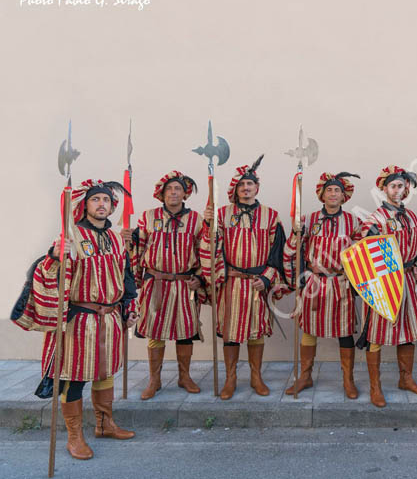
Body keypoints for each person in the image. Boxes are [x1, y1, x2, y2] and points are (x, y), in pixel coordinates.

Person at [13, 179, 138, 460]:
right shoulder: (71, 238)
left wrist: (130, 305)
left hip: (110, 319)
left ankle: (105, 424)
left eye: (106, 200)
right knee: (75, 377)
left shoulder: (117, 239)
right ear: (85, 205)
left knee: (105, 373)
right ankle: (74, 437)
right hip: (78, 321)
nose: (102, 204)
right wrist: (55, 256)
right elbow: (49, 273)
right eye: (96, 200)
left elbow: (126, 278)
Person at [200, 156, 287, 400]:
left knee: (255, 331)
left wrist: (268, 278)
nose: (246, 188)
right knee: (230, 331)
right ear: (235, 189)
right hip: (231, 282)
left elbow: (278, 252)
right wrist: (208, 225)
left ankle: (256, 377)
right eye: (241, 185)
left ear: (257, 188)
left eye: (250, 184)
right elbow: (209, 247)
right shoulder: (221, 214)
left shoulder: (271, 216)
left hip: (257, 284)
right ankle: (230, 378)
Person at [122, 171, 206, 400]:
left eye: (177, 189)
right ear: (162, 193)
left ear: (184, 193)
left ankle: (184, 376)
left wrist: (200, 279)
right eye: (169, 189)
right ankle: (154, 379)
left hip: (184, 285)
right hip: (156, 284)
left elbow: (205, 252)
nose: (173, 192)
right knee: (155, 331)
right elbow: (138, 249)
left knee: (185, 332)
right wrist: (130, 241)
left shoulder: (197, 220)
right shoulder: (148, 217)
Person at [356, 166, 417, 407]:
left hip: (408, 281)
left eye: (401, 186)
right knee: (376, 335)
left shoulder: (413, 218)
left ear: (406, 189)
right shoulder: (374, 220)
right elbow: (365, 256)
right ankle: (375, 387)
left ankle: (405, 379)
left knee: (407, 334)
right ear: (384, 189)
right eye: (393, 186)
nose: (397, 190)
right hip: (384, 284)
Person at [282, 171, 362, 398]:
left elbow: (362, 253)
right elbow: (291, 251)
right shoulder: (307, 220)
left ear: (343, 194)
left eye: (337, 190)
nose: (333, 193)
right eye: (329, 190)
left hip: (341, 284)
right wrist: (298, 277)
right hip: (314, 284)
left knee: (345, 331)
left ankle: (348, 380)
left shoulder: (354, 221)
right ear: (322, 194)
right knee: (308, 328)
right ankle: (305, 377)